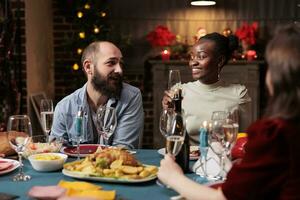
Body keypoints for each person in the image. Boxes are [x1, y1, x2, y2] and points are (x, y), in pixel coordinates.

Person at [158, 23, 300, 199]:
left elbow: (226, 197)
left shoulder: (274, 134)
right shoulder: (287, 130)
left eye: (270, 67)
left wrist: (173, 178)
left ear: (279, 77)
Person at [51, 41, 144, 149]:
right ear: (88, 67)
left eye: (120, 63)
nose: (119, 70)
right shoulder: (64, 107)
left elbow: (122, 149)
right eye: (111, 63)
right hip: (74, 166)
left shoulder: (131, 97)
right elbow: (56, 152)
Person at [162, 32, 251, 145]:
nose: (193, 63)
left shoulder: (239, 94)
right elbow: (170, 136)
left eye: (201, 56)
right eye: (192, 57)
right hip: (189, 159)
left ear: (220, 61)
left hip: (223, 159)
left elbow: (245, 140)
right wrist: (168, 112)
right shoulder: (179, 91)